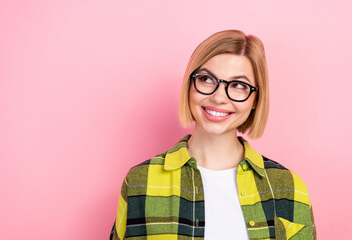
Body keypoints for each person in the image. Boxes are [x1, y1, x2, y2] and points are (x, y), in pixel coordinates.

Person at [110, 30, 316, 240]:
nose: (218, 98)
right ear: (191, 85)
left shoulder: (288, 187)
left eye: (238, 85)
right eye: (207, 79)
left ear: (255, 99)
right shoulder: (140, 182)